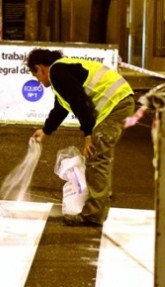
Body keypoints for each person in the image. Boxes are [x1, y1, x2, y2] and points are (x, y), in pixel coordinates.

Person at [25, 48, 134, 227]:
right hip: (118, 101)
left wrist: (88, 135)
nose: (37, 80)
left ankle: (93, 214)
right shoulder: (60, 73)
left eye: (35, 75)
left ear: (40, 68)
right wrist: (45, 131)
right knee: (97, 155)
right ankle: (100, 197)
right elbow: (61, 108)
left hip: (116, 103)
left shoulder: (57, 71)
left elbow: (79, 101)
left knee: (96, 154)